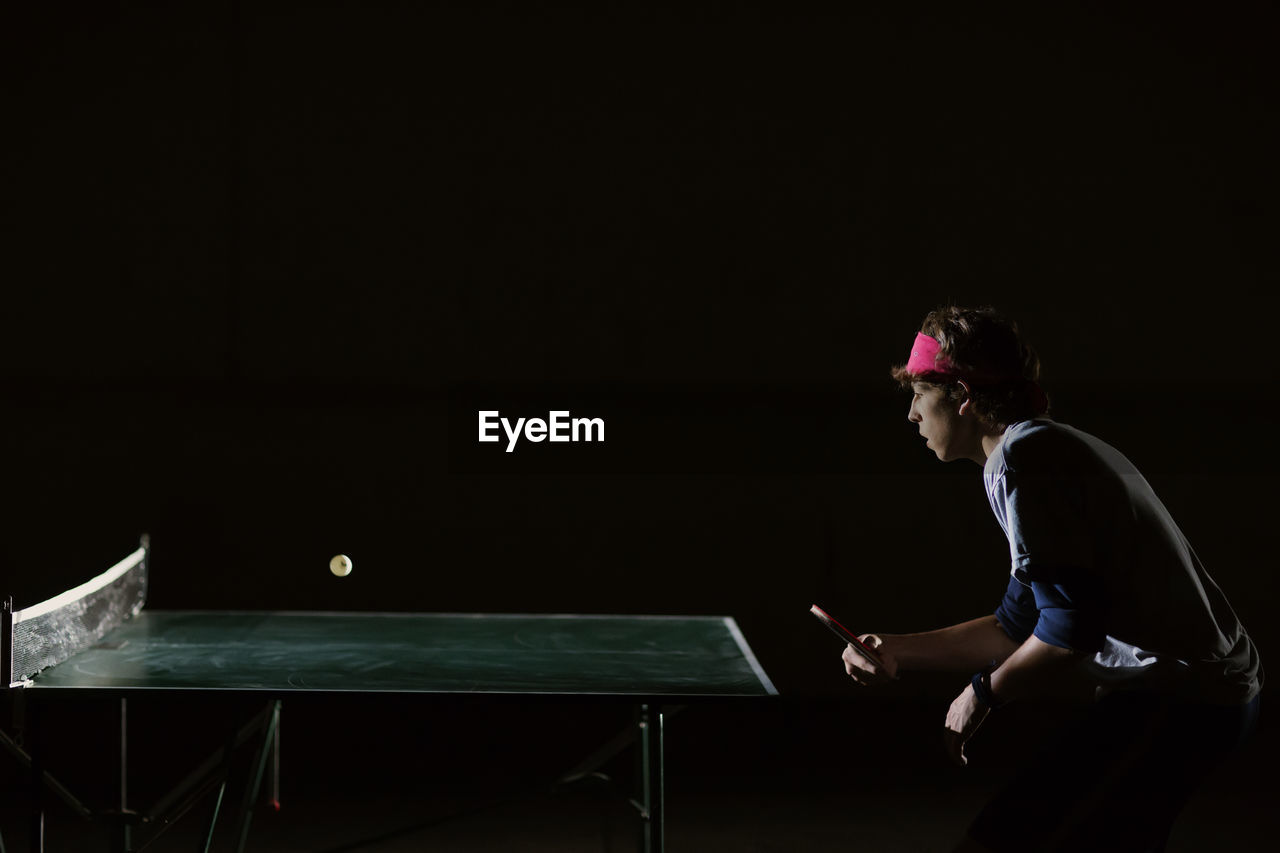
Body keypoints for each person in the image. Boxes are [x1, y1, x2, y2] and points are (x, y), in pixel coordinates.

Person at [842, 305, 1263, 853]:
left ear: (963, 396)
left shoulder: (1024, 462)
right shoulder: (1033, 449)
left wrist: (981, 695)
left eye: (919, 395)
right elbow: (1016, 626)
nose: (912, 415)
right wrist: (896, 649)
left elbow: (1069, 632)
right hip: (1175, 696)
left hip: (1188, 701)